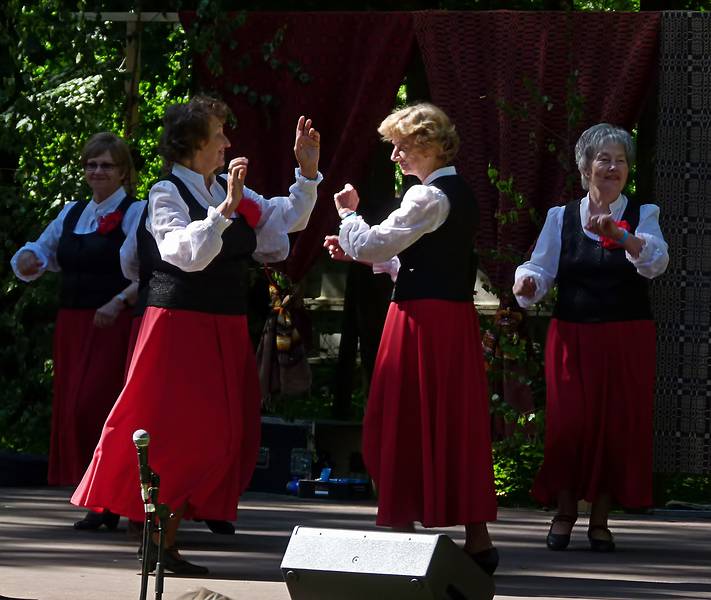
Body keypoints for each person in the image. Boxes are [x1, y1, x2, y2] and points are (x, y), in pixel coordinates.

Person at [72, 95, 322, 574]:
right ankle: (158, 538)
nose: (228, 142)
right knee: (175, 432)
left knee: (224, 434)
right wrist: (223, 212)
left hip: (224, 324)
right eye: (220, 134)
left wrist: (306, 174)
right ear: (193, 145)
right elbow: (184, 254)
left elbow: (282, 221)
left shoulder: (228, 190)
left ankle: (161, 531)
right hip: (177, 325)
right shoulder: (167, 192)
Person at [324, 103, 498, 576]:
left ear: (429, 144)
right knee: (450, 420)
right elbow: (414, 261)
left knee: (401, 415)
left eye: (402, 145)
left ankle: (403, 536)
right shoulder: (454, 193)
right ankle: (477, 540)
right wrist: (361, 252)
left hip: (422, 321)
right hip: (449, 317)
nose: (396, 155)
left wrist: (349, 217)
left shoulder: (426, 197)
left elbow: (377, 243)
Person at [512, 123, 669, 552]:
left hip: (626, 338)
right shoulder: (561, 217)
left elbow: (656, 263)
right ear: (585, 168)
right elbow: (539, 269)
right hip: (572, 337)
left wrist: (623, 237)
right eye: (603, 159)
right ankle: (565, 512)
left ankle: (600, 520)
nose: (613, 167)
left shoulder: (643, 214)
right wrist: (527, 285)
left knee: (614, 429)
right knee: (569, 427)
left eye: (620, 160)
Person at [10, 132, 142, 530]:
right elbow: (42, 250)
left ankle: (116, 495)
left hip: (112, 324)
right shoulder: (72, 212)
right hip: (72, 326)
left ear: (122, 171)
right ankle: (99, 500)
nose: (97, 171)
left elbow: (147, 271)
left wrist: (118, 302)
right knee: (74, 411)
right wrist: (31, 259)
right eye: (91, 164)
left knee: (98, 410)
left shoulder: (136, 213)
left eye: (106, 165)